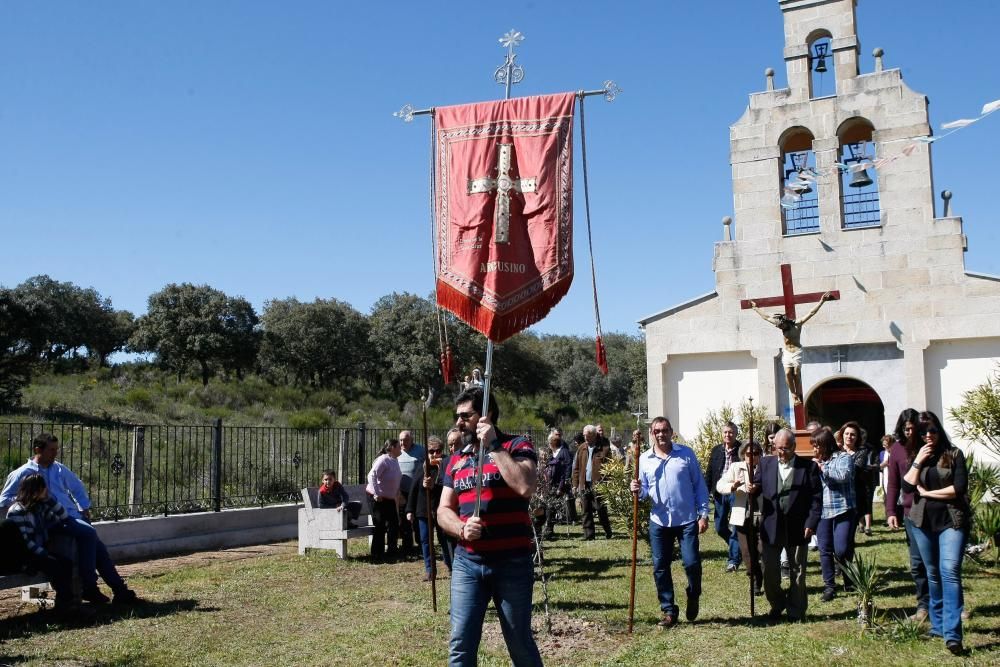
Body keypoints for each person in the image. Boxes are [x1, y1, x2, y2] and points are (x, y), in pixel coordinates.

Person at [437, 386, 542, 666]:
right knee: (461, 643)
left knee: (519, 640)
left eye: (466, 416)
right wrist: (460, 528)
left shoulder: (517, 445)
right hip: (467, 563)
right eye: (457, 416)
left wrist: (494, 446)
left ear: (488, 415)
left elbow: (525, 485)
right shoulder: (456, 460)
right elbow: (443, 510)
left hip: (512, 563)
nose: (458, 422)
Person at [0, 433, 140, 605]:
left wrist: (84, 506)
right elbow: (3, 500)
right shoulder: (23, 473)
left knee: (96, 546)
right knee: (89, 533)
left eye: (56, 449)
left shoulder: (58, 468)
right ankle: (92, 586)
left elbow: (76, 485)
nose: (55, 453)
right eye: (51, 450)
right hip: (48, 520)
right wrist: (30, 500)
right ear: (38, 450)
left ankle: (118, 590)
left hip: (67, 515)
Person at [629, 416, 709, 629]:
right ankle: (668, 610)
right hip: (659, 520)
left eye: (664, 430)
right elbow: (645, 492)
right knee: (660, 567)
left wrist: (704, 514)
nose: (661, 434)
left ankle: (694, 594)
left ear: (671, 431)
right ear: (651, 434)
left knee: (692, 563)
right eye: (656, 431)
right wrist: (638, 490)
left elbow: (699, 485)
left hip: (687, 520)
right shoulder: (644, 459)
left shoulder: (686, 454)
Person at [902, 411, 970, 655]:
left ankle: (953, 635)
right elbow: (908, 487)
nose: (928, 435)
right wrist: (919, 460)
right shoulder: (915, 455)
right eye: (923, 432)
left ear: (939, 431)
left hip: (951, 520)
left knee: (949, 570)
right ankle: (938, 625)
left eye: (932, 430)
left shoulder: (954, 454)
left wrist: (928, 493)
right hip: (922, 522)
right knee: (932, 574)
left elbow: (958, 488)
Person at [751, 428, 822, 622]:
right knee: (769, 571)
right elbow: (756, 486)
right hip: (771, 526)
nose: (781, 452)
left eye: (785, 448)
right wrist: (751, 488)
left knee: (797, 571)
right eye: (778, 448)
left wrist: (811, 523)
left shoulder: (808, 468)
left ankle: (796, 609)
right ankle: (778, 603)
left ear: (794, 447)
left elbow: (816, 499)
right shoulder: (765, 463)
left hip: (798, 526)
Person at [5, 474, 78, 614]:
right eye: (42, 490)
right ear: (34, 491)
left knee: (67, 563)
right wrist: (44, 554)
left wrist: (49, 500)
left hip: (40, 551)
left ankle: (64, 602)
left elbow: (62, 516)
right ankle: (67, 604)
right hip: (27, 554)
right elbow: (25, 541)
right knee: (54, 564)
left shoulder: (38, 508)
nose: (44, 492)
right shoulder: (17, 511)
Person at [885, 408, 930, 621]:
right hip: (911, 512)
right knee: (917, 562)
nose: (910, 432)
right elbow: (893, 484)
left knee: (940, 561)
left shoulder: (929, 445)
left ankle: (951, 605)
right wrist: (891, 511)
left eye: (913, 428)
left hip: (934, 509)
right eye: (906, 428)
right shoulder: (897, 449)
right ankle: (923, 606)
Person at [749, 292, 833, 405]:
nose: (780, 329)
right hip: (787, 352)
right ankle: (793, 394)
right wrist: (755, 308)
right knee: (788, 373)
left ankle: (798, 393)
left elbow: (811, 313)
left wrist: (821, 301)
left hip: (797, 351)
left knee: (796, 372)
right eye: (779, 327)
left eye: (781, 326)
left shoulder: (797, 324)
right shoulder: (780, 325)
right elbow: (766, 317)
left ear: (785, 322)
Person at [812, 427, 856, 602]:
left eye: (817, 445)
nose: (814, 449)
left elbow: (844, 475)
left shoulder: (843, 457)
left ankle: (848, 578)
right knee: (824, 549)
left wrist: (823, 469)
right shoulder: (815, 462)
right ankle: (829, 586)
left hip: (843, 508)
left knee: (842, 549)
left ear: (825, 444)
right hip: (823, 511)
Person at [716, 441, 764, 595]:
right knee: (747, 553)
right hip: (743, 517)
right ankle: (755, 579)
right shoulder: (736, 467)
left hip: (763, 516)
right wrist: (734, 487)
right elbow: (720, 485)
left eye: (756, 453)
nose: (752, 457)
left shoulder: (765, 468)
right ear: (743, 454)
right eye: (749, 454)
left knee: (763, 551)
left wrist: (759, 487)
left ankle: (763, 577)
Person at [406, 435, 451, 580]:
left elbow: (449, 486)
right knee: (426, 540)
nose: (434, 454)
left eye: (437, 451)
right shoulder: (423, 466)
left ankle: (451, 566)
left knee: (445, 538)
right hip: (423, 509)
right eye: (431, 451)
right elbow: (413, 488)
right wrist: (410, 510)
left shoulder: (446, 465)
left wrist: (435, 486)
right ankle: (430, 570)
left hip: (441, 508)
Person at [706, 422, 743, 572]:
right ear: (722, 434)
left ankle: (733, 561)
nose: (728, 435)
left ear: (736, 433)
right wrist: (706, 491)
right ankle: (740, 549)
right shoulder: (716, 450)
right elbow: (710, 472)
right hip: (720, 493)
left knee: (735, 527)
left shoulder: (742, 450)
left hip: (736, 492)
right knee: (720, 527)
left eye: (731, 432)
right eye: (725, 432)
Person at [572, 425, 613, 540]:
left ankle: (607, 530)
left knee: (600, 509)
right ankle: (589, 535)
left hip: (598, 484)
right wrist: (575, 484)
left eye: (588, 436)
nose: (585, 438)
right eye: (584, 435)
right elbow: (576, 468)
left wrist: (607, 482)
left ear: (594, 435)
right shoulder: (581, 448)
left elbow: (609, 467)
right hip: (585, 484)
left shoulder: (604, 448)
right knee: (585, 510)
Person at [365, 439, 402, 562]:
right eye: (398, 446)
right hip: (377, 498)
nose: (400, 448)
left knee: (394, 524)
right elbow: (372, 475)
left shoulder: (394, 460)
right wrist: (376, 493)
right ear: (392, 447)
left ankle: (391, 551)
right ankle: (376, 554)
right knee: (380, 525)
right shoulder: (383, 460)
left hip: (389, 498)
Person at [839, 421, 877, 537]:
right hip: (838, 495)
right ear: (842, 435)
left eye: (852, 434)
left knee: (850, 529)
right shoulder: (835, 451)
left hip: (854, 495)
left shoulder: (861, 452)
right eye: (847, 434)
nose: (849, 437)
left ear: (857, 437)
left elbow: (855, 469)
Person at [538, 430, 572, 540]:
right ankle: (543, 530)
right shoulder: (548, 458)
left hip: (555, 487)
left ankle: (549, 531)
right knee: (544, 509)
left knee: (550, 509)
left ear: (552, 444)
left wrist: (560, 487)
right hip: (546, 487)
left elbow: (564, 473)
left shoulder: (560, 456)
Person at [396, 430, 425, 559]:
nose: (403, 443)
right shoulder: (397, 451)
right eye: (401, 440)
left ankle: (421, 544)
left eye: (406, 440)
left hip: (417, 491)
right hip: (401, 492)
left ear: (411, 440)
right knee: (404, 520)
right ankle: (407, 545)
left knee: (418, 517)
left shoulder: (420, 450)